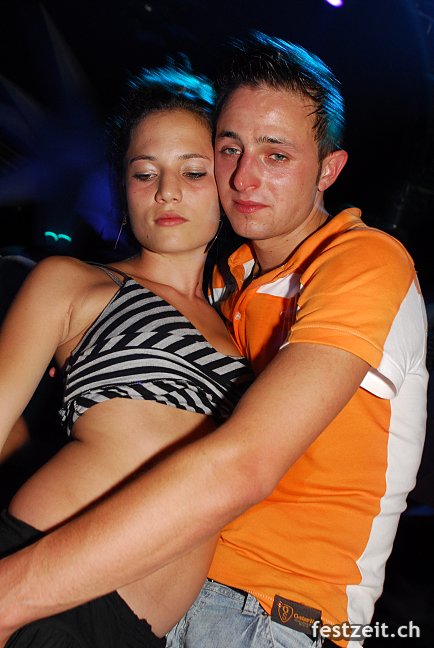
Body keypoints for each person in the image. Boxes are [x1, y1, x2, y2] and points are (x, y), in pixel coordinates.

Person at [0, 32, 428, 648]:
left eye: (276, 155)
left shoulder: (360, 261)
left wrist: (11, 592)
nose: (245, 177)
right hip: (124, 587)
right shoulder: (231, 286)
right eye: (231, 150)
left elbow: (244, 464)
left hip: (272, 614)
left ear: (329, 170)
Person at [0, 66, 253, 646]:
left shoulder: (245, 325)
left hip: (142, 631)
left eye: (193, 171)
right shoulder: (74, 282)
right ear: (123, 187)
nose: (167, 191)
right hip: (35, 575)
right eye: (145, 173)